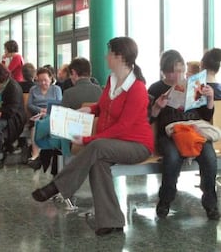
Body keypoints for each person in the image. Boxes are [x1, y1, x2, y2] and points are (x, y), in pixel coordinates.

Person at [31, 37, 154, 236]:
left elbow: (124, 126)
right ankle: (111, 221)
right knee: (98, 164)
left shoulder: (137, 88)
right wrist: (91, 109)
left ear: (119, 57)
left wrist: (88, 140)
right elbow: (104, 106)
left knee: (97, 148)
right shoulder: (112, 80)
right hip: (112, 143)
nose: (106, 57)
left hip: (136, 145)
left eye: (109, 53)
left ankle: (57, 186)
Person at [148, 49, 219, 220]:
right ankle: (165, 200)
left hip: (193, 131)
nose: (178, 75)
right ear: (164, 72)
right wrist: (157, 106)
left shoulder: (193, 86)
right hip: (169, 133)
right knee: (172, 157)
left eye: (180, 70)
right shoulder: (156, 88)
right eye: (173, 71)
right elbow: (149, 119)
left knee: (209, 157)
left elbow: (207, 116)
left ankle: (211, 204)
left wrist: (209, 99)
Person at [27, 67, 62, 169]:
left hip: (52, 115)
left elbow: (59, 104)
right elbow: (29, 105)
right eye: (40, 80)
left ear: (50, 79)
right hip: (37, 114)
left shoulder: (56, 89)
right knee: (35, 124)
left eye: (45, 80)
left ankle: (47, 154)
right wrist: (40, 110)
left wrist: (47, 111)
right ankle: (35, 155)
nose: (43, 83)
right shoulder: (33, 89)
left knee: (45, 123)